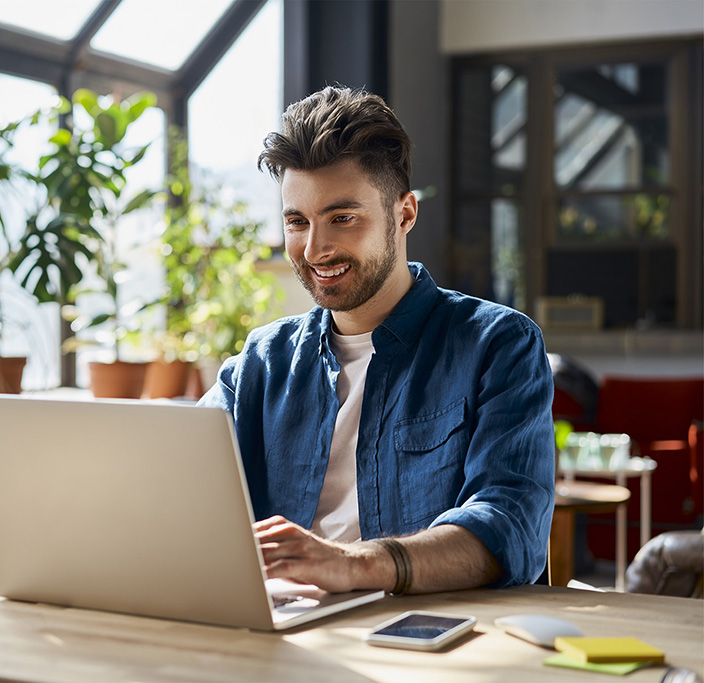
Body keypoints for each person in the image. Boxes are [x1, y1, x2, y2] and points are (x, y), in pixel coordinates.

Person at [198, 86, 555, 595]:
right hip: (283, 632)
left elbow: (511, 528)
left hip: (427, 641)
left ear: (404, 214)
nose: (315, 249)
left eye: (342, 218)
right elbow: (176, 484)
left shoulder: (497, 345)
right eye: (297, 222)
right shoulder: (260, 363)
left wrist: (353, 564)